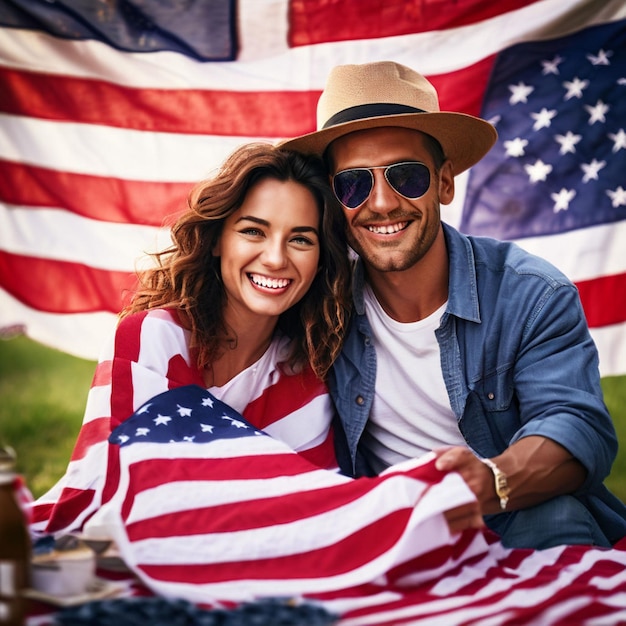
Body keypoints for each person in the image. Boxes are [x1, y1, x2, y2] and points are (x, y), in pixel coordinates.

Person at [280, 61, 626, 549]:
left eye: (406, 176)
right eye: (354, 183)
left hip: (512, 517)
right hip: (389, 537)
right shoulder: (318, 301)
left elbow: (578, 427)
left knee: (555, 517)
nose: (380, 203)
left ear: (445, 182)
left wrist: (486, 482)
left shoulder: (531, 294)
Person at [30, 142, 354, 535]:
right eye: (253, 231)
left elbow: (311, 508)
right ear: (218, 240)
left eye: (300, 239)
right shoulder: (150, 337)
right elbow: (124, 489)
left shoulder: (307, 372)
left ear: (321, 259)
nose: (274, 258)